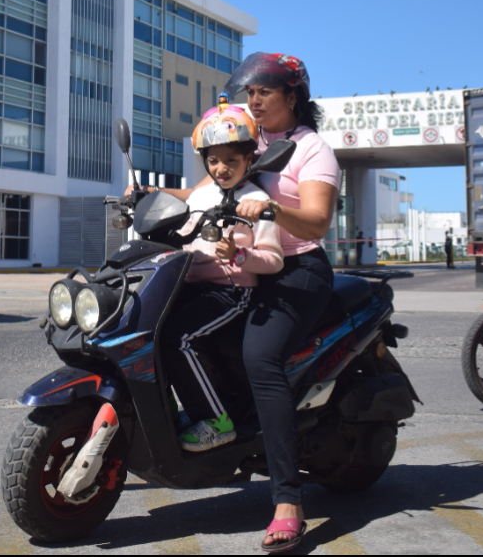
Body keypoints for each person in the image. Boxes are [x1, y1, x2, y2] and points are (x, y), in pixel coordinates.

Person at [132, 53, 339, 552]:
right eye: (249, 93)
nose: (254, 101)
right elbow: (200, 193)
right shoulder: (247, 142)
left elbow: (315, 222)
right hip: (241, 265)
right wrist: (145, 195)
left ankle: (287, 499)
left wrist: (271, 207)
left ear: (293, 97)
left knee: (259, 357)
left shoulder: (313, 151)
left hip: (297, 270)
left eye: (264, 92)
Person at [161, 100, 284, 452]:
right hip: (190, 286)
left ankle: (217, 422)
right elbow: (183, 232)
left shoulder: (256, 200)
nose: (221, 168)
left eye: (231, 160)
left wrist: (239, 255)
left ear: (249, 159)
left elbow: (273, 261)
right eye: (213, 160)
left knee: (178, 339)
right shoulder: (201, 194)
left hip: (232, 291)